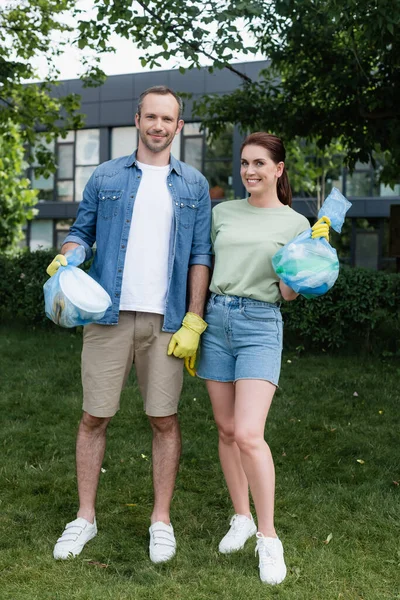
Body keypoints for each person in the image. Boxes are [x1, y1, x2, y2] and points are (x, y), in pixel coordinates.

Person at [46, 86, 212, 563]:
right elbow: (82, 234)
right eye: (151, 117)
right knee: (94, 416)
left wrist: (194, 318)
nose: (159, 126)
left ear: (179, 127)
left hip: (166, 321)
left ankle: (161, 519)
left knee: (163, 419)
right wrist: (69, 258)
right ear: (137, 119)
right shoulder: (105, 175)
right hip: (107, 315)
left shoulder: (193, 185)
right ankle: (84, 518)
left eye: (169, 119)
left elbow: (201, 254)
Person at [196, 132, 329, 585]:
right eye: (245, 163)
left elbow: (289, 293)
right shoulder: (222, 213)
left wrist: (313, 261)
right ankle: (241, 517)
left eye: (259, 164)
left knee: (250, 433)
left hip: (260, 324)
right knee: (227, 430)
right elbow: (205, 265)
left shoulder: (296, 224)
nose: (250, 171)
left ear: (278, 169)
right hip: (216, 322)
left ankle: (268, 537)